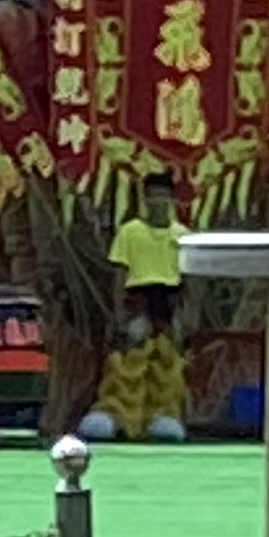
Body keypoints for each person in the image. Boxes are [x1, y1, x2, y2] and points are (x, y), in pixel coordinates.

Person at [87, 174, 189, 443]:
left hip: (169, 299)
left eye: (163, 195)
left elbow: (190, 279)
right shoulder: (130, 231)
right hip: (137, 298)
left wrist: (184, 314)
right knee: (130, 361)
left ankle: (163, 417)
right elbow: (120, 272)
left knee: (167, 365)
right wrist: (118, 312)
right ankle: (117, 416)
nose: (158, 201)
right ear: (145, 199)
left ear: (171, 200)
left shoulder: (182, 235)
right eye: (152, 195)